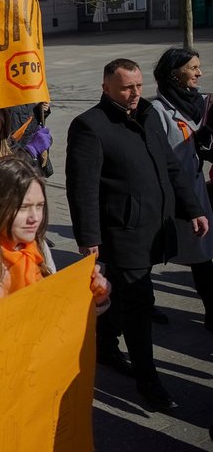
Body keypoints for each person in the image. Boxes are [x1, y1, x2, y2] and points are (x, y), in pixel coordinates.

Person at [66, 58, 208, 411]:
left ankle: (106, 343)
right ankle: (149, 380)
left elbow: (171, 166)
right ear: (106, 88)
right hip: (122, 231)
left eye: (139, 86)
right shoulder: (90, 126)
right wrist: (88, 236)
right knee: (140, 303)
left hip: (154, 227)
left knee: (124, 295)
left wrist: (193, 208)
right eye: (126, 87)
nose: (134, 94)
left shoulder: (148, 115)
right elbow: (81, 187)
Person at [0, 156, 109, 310]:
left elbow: (54, 312)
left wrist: (90, 298)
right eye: (23, 208)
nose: (35, 218)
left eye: (39, 206)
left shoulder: (37, 247)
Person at [151, 48, 213, 330]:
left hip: (198, 191)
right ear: (174, 73)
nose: (199, 73)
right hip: (173, 197)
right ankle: (142, 304)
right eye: (193, 68)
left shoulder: (201, 104)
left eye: (199, 67)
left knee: (202, 254)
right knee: (151, 252)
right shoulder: (157, 110)